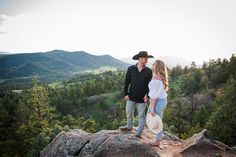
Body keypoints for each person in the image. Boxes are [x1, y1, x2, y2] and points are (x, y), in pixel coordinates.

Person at [120, 51, 153, 138]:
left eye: (147, 59)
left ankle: (139, 132)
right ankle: (129, 126)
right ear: (140, 59)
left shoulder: (149, 71)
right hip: (131, 96)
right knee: (128, 112)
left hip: (142, 99)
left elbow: (150, 86)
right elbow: (126, 82)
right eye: (145, 59)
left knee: (141, 116)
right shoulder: (131, 69)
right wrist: (125, 94)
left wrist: (148, 95)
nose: (146, 60)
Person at [148, 59, 168, 147]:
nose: (152, 64)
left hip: (157, 101)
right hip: (161, 100)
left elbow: (154, 96)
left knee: (157, 120)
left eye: (154, 64)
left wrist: (152, 108)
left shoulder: (156, 78)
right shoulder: (161, 76)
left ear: (157, 66)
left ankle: (157, 141)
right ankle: (158, 139)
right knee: (157, 119)